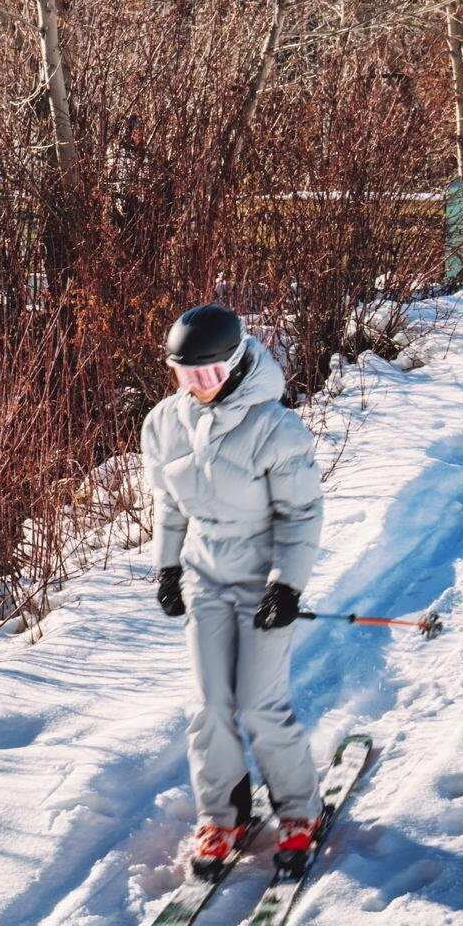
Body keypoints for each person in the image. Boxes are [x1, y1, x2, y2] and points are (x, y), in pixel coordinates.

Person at [141, 304, 325, 880]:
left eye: (210, 375)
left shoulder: (274, 427)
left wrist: (287, 586)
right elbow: (168, 505)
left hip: (263, 581)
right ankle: (224, 816)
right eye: (186, 375)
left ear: (237, 363)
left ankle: (298, 810)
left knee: (259, 703)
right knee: (208, 707)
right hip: (205, 578)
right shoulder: (163, 425)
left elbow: (301, 515)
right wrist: (167, 568)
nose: (199, 388)